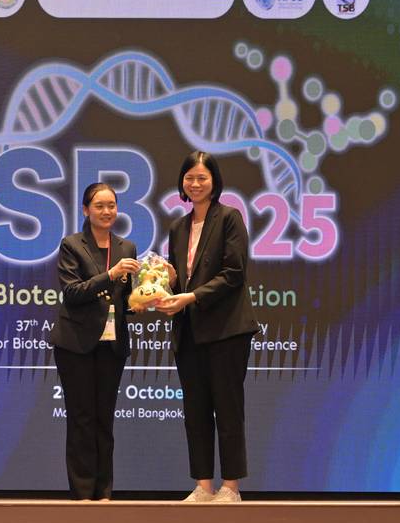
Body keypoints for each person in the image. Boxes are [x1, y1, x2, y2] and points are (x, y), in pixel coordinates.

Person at [157, 151, 258, 502]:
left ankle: (230, 486)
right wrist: (169, 282)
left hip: (227, 329)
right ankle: (203, 485)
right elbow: (181, 278)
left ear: (214, 181)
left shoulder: (229, 218)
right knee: (196, 411)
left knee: (227, 409)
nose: (195, 184)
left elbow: (234, 273)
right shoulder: (178, 227)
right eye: (189, 177)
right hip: (189, 330)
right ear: (182, 182)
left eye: (202, 177)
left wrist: (190, 297)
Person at [50, 183, 140, 500]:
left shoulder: (127, 247)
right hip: (76, 343)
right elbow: (72, 292)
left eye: (111, 205)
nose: (106, 211)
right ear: (86, 210)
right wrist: (110, 274)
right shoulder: (72, 245)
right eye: (99, 206)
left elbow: (125, 299)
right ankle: (83, 492)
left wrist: (144, 299)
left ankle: (104, 492)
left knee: (104, 418)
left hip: (112, 345)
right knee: (81, 418)